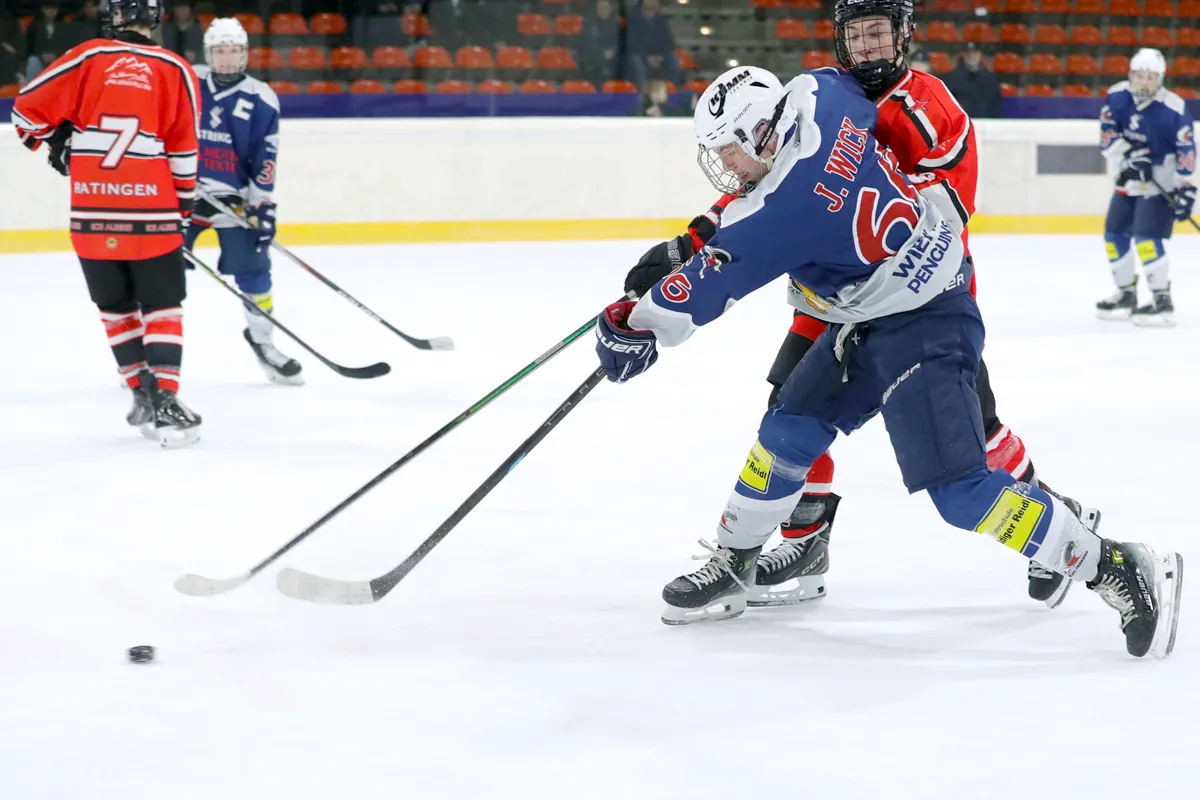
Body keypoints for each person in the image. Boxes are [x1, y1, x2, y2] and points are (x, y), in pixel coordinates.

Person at [594, 65, 1182, 658]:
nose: (726, 166)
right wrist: (695, 240)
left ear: (764, 134)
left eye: (730, 151)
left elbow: (709, 284)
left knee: (960, 491)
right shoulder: (822, 94)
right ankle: (735, 560)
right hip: (871, 312)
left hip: (926, 321)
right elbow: (757, 202)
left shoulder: (788, 207)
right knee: (787, 430)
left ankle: (1114, 565)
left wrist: (632, 325)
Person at [623, 0, 1098, 610]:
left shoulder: (930, 107)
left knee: (978, 431)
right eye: (857, 34)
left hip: (916, 294)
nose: (869, 46)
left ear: (903, 35)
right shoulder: (822, 95)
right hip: (836, 295)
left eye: (879, 33)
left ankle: (1059, 518)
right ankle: (806, 539)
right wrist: (695, 240)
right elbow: (765, 180)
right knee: (789, 409)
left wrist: (824, 209)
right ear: (840, 40)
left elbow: (941, 215)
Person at [11, 0, 202, 447]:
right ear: (155, 17)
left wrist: (58, 143)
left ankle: (140, 395)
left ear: (113, 17)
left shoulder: (88, 55)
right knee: (163, 307)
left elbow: (24, 112)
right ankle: (166, 399)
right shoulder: (176, 67)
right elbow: (183, 149)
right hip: (152, 212)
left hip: (92, 213)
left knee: (115, 309)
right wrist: (183, 211)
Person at [187, 17, 302, 384]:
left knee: (254, 270)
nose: (226, 58)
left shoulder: (261, 97)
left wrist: (261, 205)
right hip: (183, 197)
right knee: (156, 271)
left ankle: (263, 341)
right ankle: (144, 355)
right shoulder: (187, 83)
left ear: (245, 54)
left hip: (231, 201)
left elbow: (265, 157)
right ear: (208, 53)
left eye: (233, 51)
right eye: (219, 51)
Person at [1095, 48, 1195, 327]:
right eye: (1140, 76)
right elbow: (1107, 137)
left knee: (1146, 239)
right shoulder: (1117, 97)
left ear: (1160, 79)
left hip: (1158, 185)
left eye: (1151, 77)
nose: (1145, 82)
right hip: (1127, 181)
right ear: (1131, 75)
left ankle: (1162, 300)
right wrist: (1130, 156)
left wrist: (1185, 187)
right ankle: (1126, 294)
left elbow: (1186, 151)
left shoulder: (1173, 108)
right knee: (1114, 235)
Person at [944, 42, 1003, 119]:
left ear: (980, 55)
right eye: (969, 54)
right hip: (963, 122)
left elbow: (996, 101)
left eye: (975, 53)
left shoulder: (990, 78)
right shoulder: (952, 78)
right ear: (964, 55)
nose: (972, 57)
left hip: (987, 121)